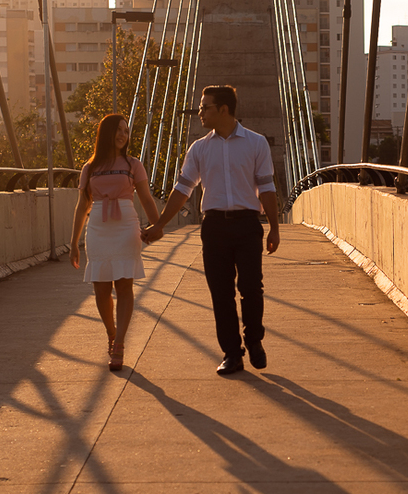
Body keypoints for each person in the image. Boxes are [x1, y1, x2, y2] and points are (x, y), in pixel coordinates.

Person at [142, 85, 279, 376]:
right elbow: (182, 189)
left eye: (205, 107)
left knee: (252, 288)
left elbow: (267, 187)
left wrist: (275, 228)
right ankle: (232, 353)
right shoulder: (199, 148)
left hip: (247, 223)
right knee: (221, 292)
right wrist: (160, 225)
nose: (200, 112)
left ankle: (254, 340)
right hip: (214, 225)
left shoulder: (256, 143)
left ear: (224, 110)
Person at [69, 114, 160, 371]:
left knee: (124, 286)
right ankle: (111, 332)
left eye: (126, 131)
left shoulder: (133, 164)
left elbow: (146, 198)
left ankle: (119, 344)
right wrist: (73, 242)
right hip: (98, 225)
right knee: (100, 289)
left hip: (125, 225)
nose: (123, 135)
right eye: (118, 130)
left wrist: (158, 226)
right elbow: (82, 206)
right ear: (106, 133)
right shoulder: (90, 167)